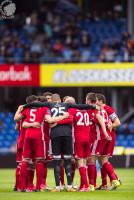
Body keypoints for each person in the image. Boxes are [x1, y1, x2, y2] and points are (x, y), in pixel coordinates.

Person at [14, 95, 69, 192]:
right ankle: (39, 186)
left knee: (25, 161)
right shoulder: (44, 109)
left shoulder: (27, 109)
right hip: (39, 137)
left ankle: (22, 187)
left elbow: (19, 122)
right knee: (40, 161)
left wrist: (20, 110)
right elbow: (51, 121)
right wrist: (63, 116)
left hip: (27, 136)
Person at [95, 93, 121, 190]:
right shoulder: (100, 110)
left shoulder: (108, 109)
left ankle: (115, 179)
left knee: (103, 160)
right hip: (104, 137)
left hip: (109, 137)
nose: (95, 102)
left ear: (101, 101)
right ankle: (104, 184)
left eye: (96, 100)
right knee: (101, 160)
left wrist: (111, 126)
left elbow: (118, 122)